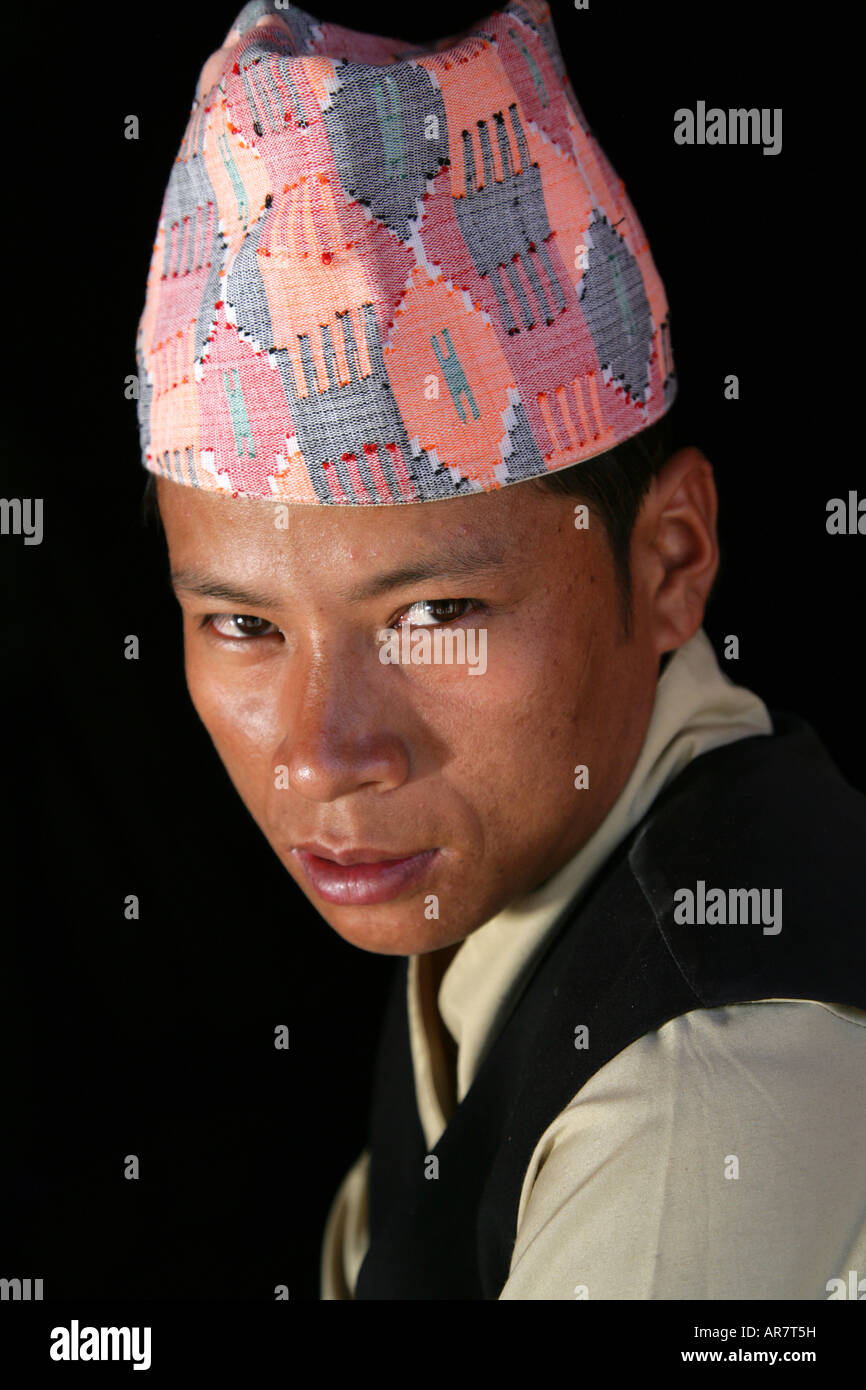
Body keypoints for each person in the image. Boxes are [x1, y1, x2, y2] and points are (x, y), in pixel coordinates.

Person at [135, 0, 866, 1299]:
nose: (323, 752)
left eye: (433, 616)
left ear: (668, 559)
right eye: (244, 625)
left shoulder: (699, 1085)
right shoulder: (505, 893)